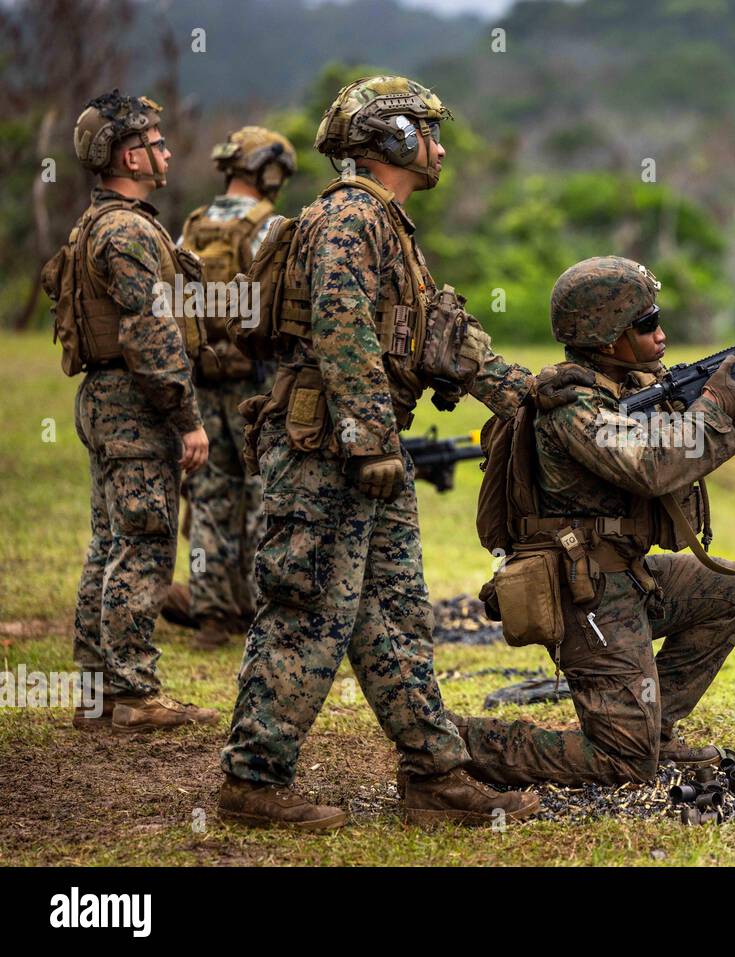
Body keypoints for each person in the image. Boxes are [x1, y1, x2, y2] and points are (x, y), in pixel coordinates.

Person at [216, 76, 590, 830]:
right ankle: (252, 779)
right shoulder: (350, 218)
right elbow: (341, 328)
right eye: (427, 128)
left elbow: (440, 337)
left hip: (362, 452)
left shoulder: (391, 229)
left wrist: (527, 390)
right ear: (388, 137)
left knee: (395, 615)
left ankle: (434, 776)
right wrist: (368, 438)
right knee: (308, 607)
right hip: (327, 449)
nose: (441, 144)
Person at [452, 256, 735, 785]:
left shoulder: (635, 385)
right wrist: (716, 401)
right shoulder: (573, 405)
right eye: (644, 324)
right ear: (606, 338)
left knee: (728, 591)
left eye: (657, 317)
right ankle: (455, 741)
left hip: (624, 577)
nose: (660, 332)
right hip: (579, 594)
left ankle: (654, 729)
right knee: (624, 764)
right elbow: (651, 466)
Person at [53, 90, 218, 732]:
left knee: (110, 543)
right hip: (133, 403)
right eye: (155, 141)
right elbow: (150, 331)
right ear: (130, 153)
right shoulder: (125, 229)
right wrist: (187, 418)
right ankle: (133, 694)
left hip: (108, 399)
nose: (166, 150)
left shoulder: (102, 222)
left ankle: (97, 697)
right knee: (144, 544)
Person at [167, 127, 297, 649]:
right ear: (267, 171)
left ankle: (211, 611)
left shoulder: (193, 226)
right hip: (255, 384)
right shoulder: (269, 227)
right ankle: (251, 604)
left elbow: (174, 301)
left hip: (201, 381)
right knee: (261, 493)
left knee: (207, 493)